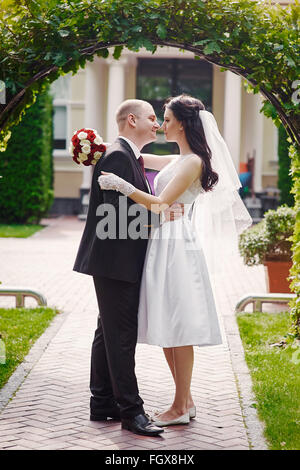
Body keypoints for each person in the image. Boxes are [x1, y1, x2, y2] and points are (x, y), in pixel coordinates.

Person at [99, 94, 252, 427]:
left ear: (182, 122)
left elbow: (158, 204)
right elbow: (141, 158)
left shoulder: (195, 161)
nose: (161, 124)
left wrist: (120, 185)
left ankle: (180, 406)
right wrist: (101, 148)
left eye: (166, 119)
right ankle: (187, 401)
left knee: (179, 326)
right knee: (169, 323)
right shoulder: (178, 159)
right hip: (163, 243)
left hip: (177, 247)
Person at [73, 99, 167, 436]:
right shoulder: (117, 156)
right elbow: (119, 219)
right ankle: (131, 412)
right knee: (121, 337)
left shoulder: (128, 156)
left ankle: (102, 403)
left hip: (115, 261)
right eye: (152, 118)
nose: (156, 124)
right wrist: (162, 219)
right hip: (116, 262)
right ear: (132, 120)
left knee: (107, 332)